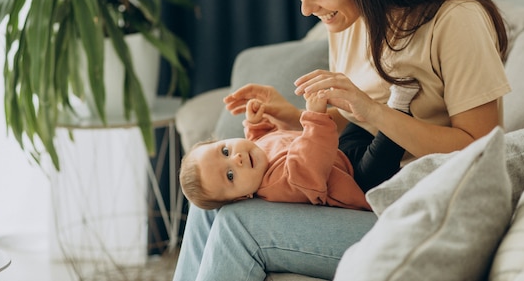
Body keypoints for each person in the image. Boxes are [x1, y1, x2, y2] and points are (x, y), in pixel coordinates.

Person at [172, 0, 510, 281]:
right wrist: (296, 116)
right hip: (360, 196)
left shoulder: (455, 20)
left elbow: (482, 149)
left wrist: (375, 111)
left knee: (238, 225)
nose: (307, 9)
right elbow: (356, 137)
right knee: (206, 203)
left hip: (421, 211)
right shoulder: (349, 19)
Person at [179, 84, 419, 211]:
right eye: (230, 175)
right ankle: (398, 108)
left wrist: (256, 124)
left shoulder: (255, 155)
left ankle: (380, 106)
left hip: (341, 156)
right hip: (358, 182)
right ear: (243, 197)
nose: (237, 159)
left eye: (225, 151)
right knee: (381, 155)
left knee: (355, 124)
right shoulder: (279, 185)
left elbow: (265, 140)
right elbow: (310, 160)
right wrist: (314, 115)